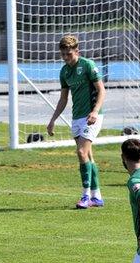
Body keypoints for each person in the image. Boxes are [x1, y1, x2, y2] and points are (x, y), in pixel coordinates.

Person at [47, 35, 105, 209]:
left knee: (81, 152)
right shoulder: (64, 72)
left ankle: (85, 196)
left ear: (77, 51)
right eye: (63, 54)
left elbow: (101, 90)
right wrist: (52, 120)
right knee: (88, 156)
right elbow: (63, 99)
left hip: (92, 116)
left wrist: (95, 111)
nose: (65, 57)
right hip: (77, 117)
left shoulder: (88, 65)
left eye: (69, 54)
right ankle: (97, 197)